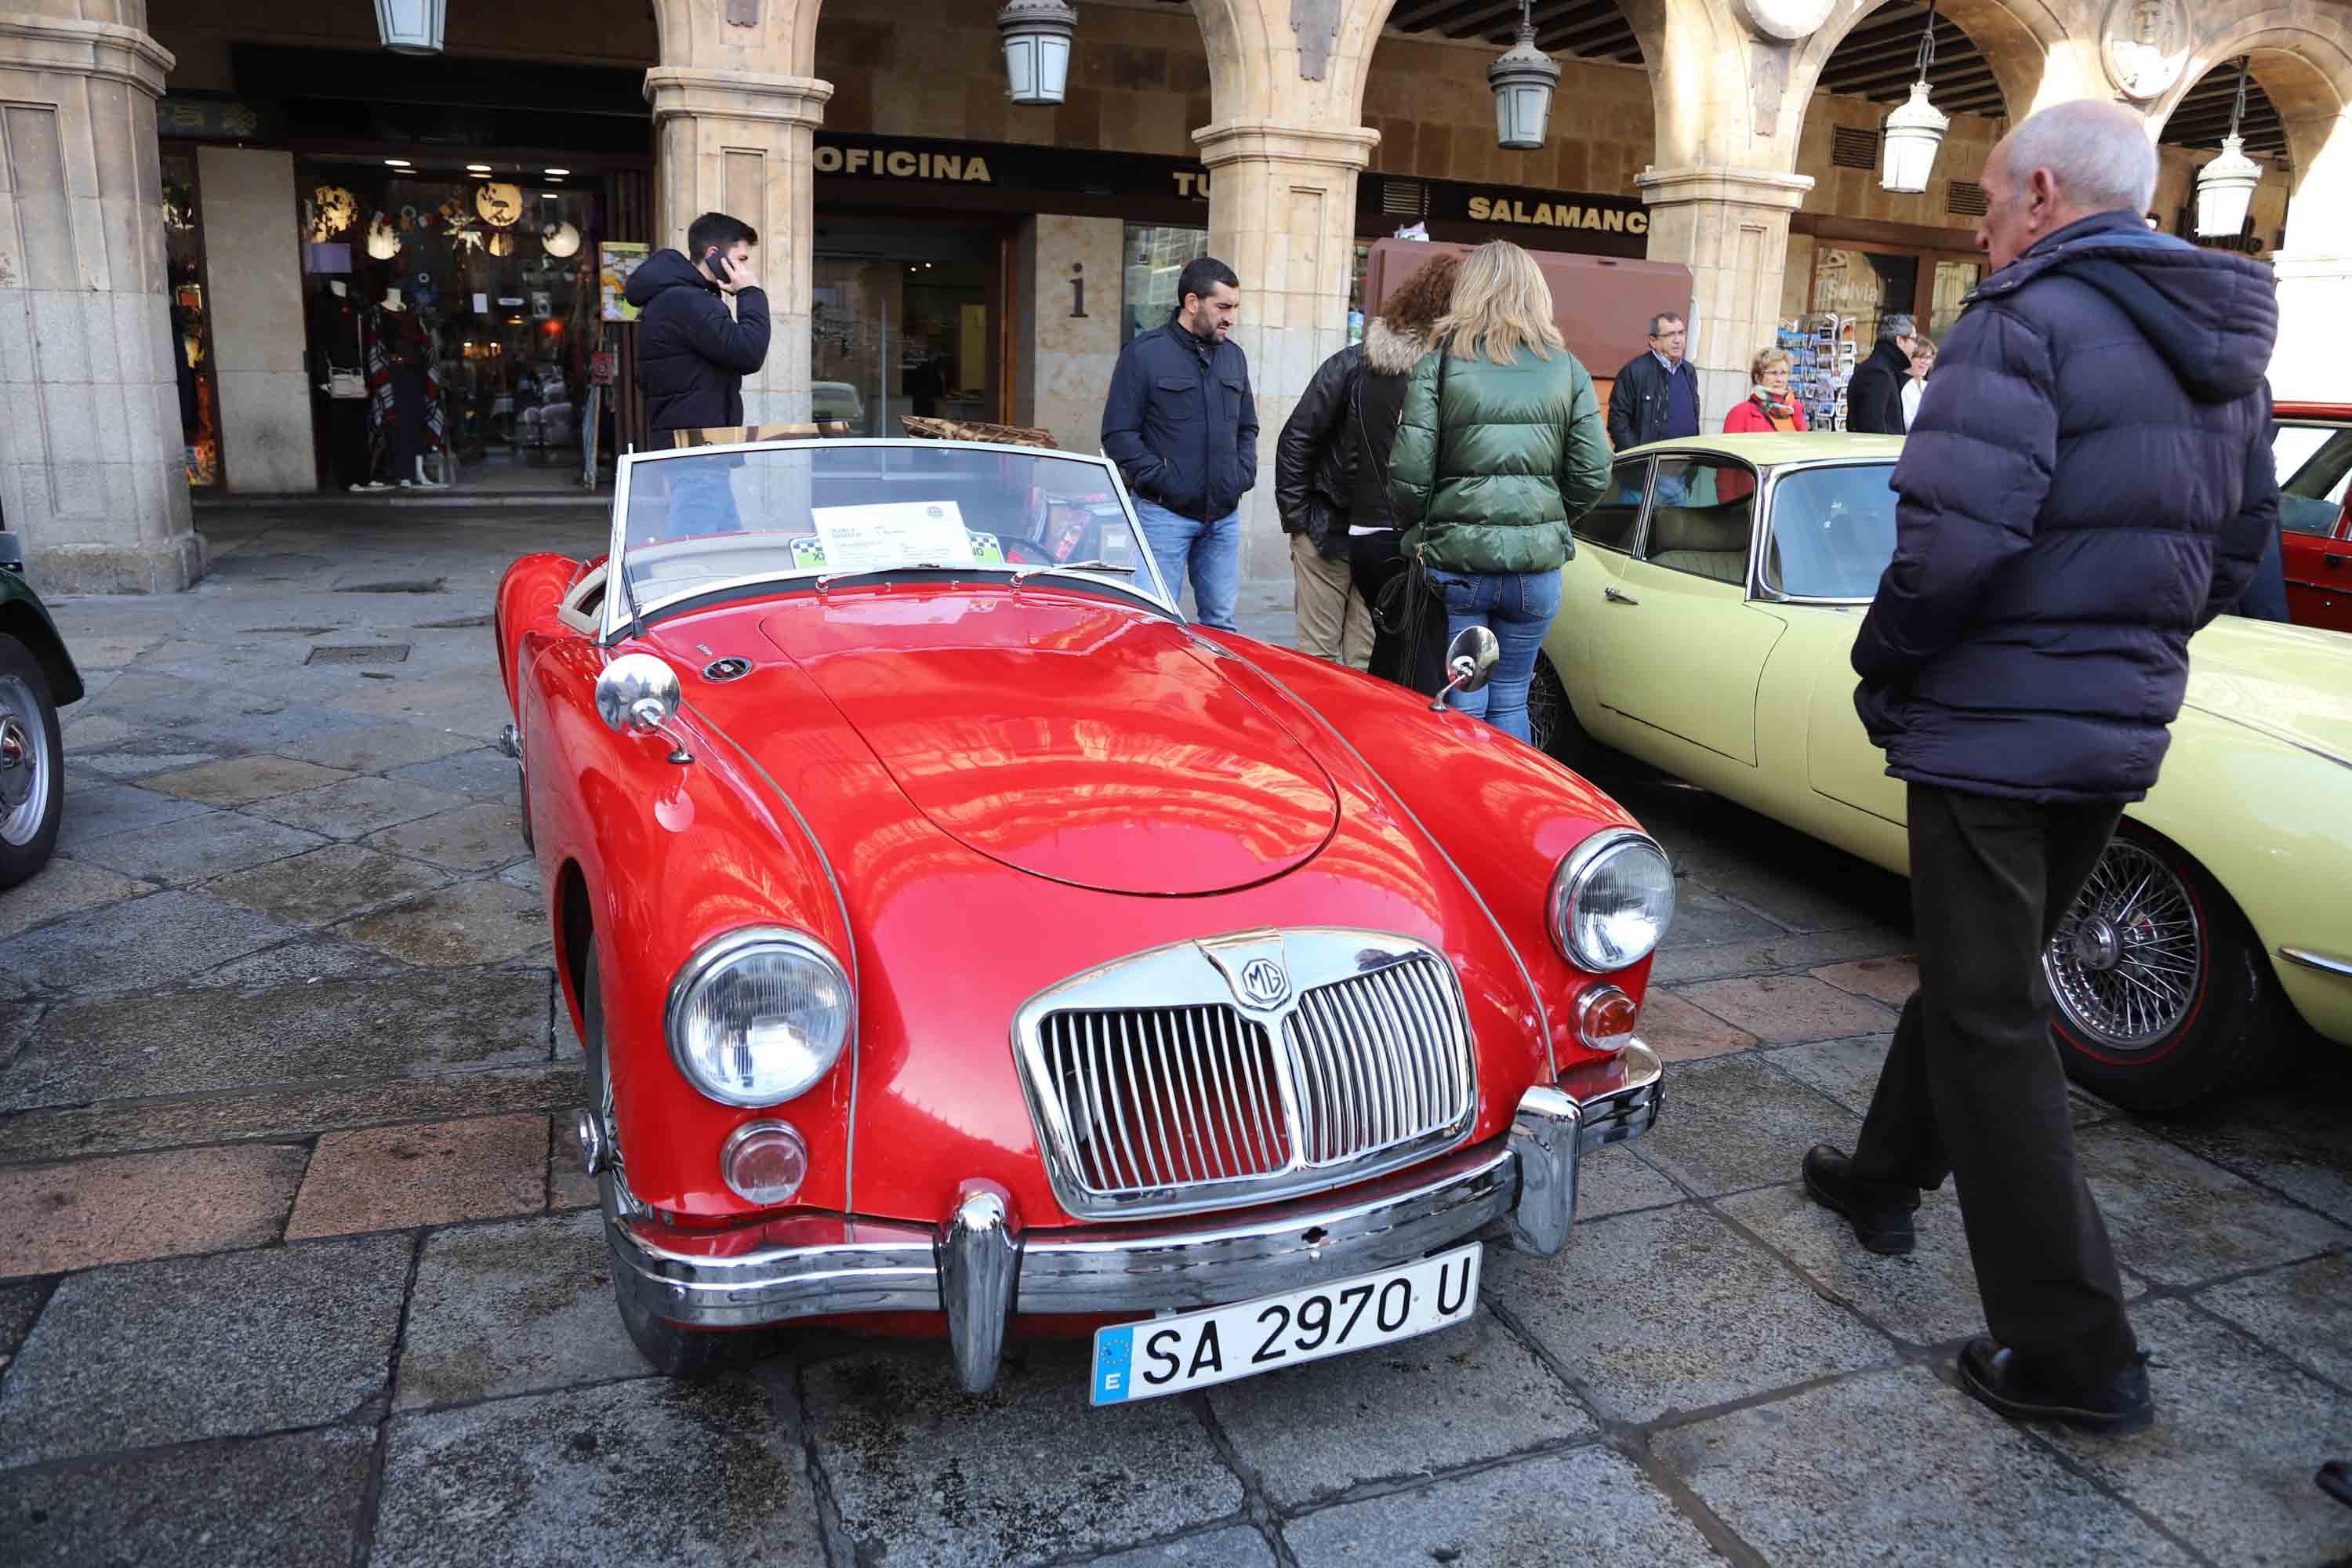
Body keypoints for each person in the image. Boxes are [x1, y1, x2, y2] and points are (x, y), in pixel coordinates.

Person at [1802, 98, 2278, 1436]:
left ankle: (2079, 1352)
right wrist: (2124, 647)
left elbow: (1953, 542)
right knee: (1983, 982)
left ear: (2047, 193)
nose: (1981, 217)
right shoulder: (2227, 350)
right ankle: (1882, 1172)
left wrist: (1886, 662)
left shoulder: (2018, 319)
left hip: (1993, 727)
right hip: (2114, 722)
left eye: (1991, 191)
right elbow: (2240, 547)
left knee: (1995, 1015)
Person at [1388, 241, 1610, 741]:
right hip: (1535, 571)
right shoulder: (1566, 368)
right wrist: (1548, 518)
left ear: (1469, 292)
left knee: (1468, 693)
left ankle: (1463, 808)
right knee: (1513, 696)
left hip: (1460, 565)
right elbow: (1595, 471)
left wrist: (1421, 528)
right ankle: (1511, 808)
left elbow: (1408, 472)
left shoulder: (1441, 366)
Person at [1275, 252, 1461, 677]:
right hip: (1328, 530)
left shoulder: (1439, 376)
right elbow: (1297, 439)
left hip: (1381, 541)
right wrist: (1299, 522)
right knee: (1318, 661)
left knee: (1366, 665)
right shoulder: (1354, 364)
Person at [1102, 257, 1257, 630]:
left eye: (1234, 307)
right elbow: (1117, 434)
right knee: (1155, 626)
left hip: (1223, 517)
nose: (1231, 317)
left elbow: (1247, 427)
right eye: (1223, 307)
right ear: (1192, 303)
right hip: (1162, 516)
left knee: (1221, 626)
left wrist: (1241, 474)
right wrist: (1162, 478)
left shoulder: (1234, 357)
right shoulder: (1144, 354)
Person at [624, 212, 769, 534]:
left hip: (701, 449)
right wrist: (751, 293)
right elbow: (748, 352)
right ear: (714, 256)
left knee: (725, 549)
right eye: (740, 259)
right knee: (688, 552)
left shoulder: (686, 298)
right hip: (698, 451)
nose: (745, 269)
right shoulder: (687, 301)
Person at [1606, 312, 1701, 455]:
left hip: (1685, 467)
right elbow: (1618, 423)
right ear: (1653, 341)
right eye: (1670, 335)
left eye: (1681, 333)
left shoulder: (1688, 371)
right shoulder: (1634, 371)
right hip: (1649, 469)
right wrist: (1638, 458)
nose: (1678, 340)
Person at [1845, 314, 1917, 433]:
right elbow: (1872, 429)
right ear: (1900, 341)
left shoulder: (1887, 369)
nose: (1915, 346)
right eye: (1913, 339)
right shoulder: (1877, 373)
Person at [1722, 347, 1810, 434]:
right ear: (1758, 378)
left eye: (1783, 373)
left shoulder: (1795, 409)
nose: (1780, 379)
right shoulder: (1741, 413)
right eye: (1773, 373)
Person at [1900, 336, 1936, 428]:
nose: (1925, 362)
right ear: (1909, 358)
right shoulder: (1902, 386)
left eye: (1929, 357)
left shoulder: (1929, 386)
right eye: (1920, 357)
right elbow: (1907, 423)